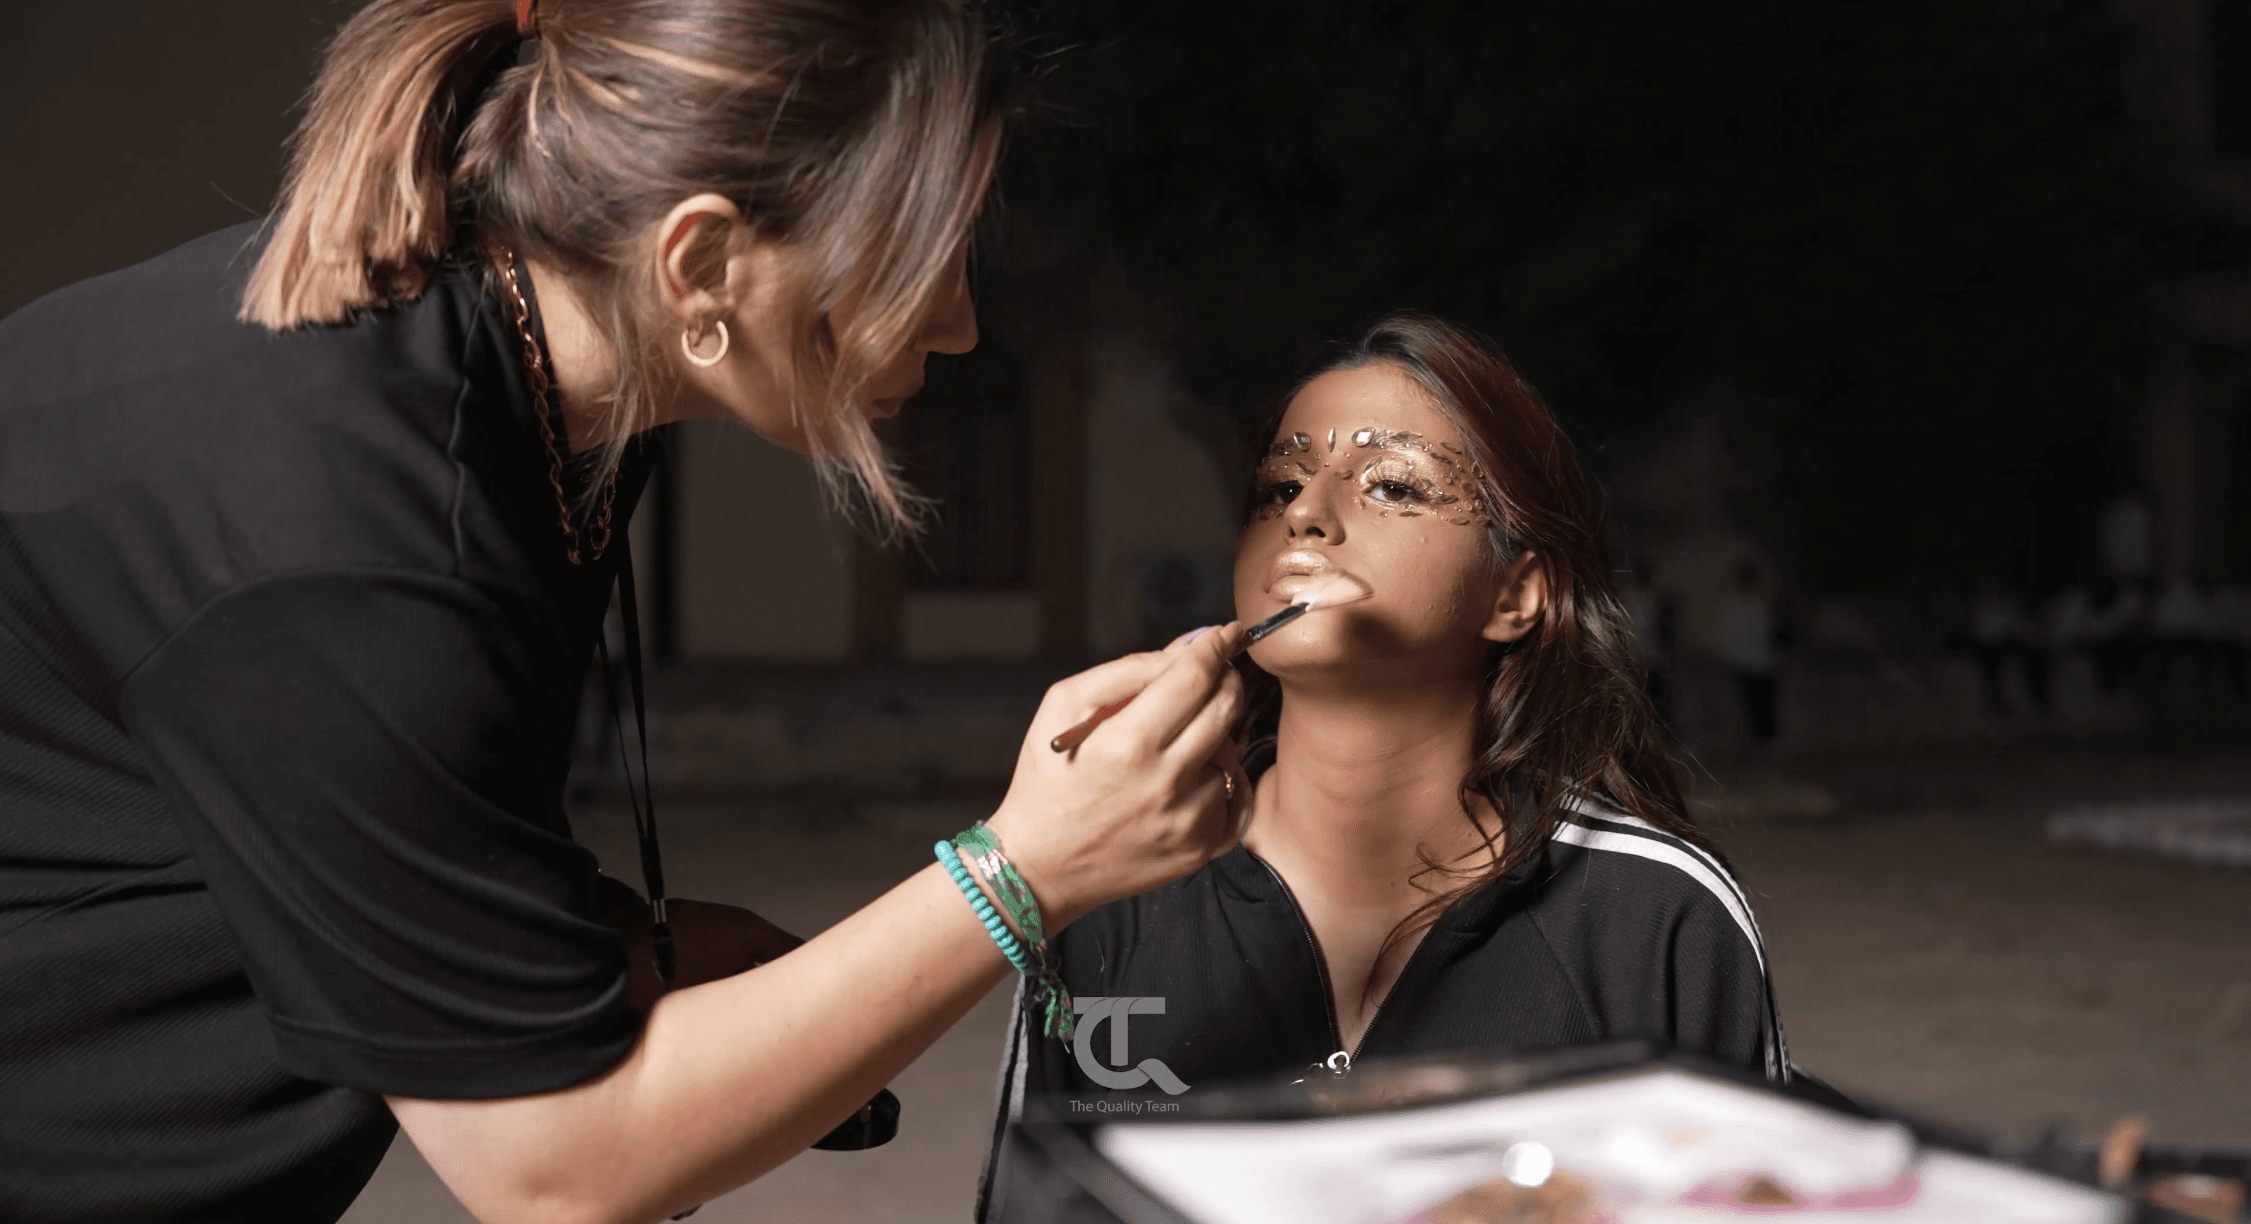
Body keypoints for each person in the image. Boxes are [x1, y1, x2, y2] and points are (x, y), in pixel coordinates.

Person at [0, 3, 1250, 1221]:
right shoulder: (348, 535)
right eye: (921, 251)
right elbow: (557, 1172)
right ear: (701, 263)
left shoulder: (533, 391)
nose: (963, 322)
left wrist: (593, 941)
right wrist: (1025, 871)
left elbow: (295, 795)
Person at [978, 314, 1789, 1220]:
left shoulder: (1657, 917)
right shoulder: (1102, 883)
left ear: (1515, 595)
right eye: (1280, 483)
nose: (1306, 515)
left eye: (1394, 486)